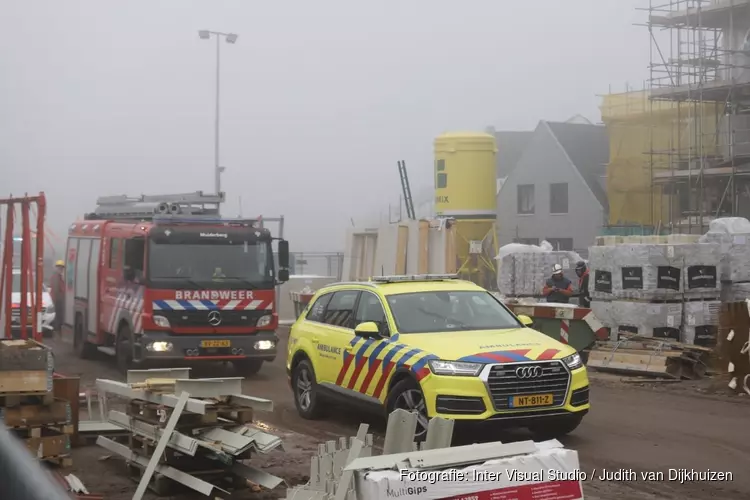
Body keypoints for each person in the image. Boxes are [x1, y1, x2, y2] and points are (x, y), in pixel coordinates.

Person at [50, 260, 65, 334]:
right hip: (57, 298)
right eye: (60, 267)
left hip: (57, 298)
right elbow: (56, 288)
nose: (61, 269)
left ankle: (57, 328)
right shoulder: (56, 276)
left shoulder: (57, 276)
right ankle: (57, 329)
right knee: (58, 314)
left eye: (62, 268)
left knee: (58, 314)